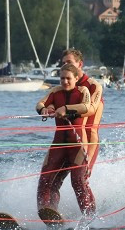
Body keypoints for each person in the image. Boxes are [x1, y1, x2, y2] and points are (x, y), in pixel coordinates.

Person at [35, 63, 96, 217]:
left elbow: (86, 106)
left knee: (78, 182)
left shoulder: (83, 91)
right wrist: (45, 109)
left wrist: (66, 109)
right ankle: (48, 213)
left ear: (76, 78)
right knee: (46, 180)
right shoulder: (55, 92)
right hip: (59, 145)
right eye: (62, 78)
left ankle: (90, 216)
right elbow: (40, 103)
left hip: (77, 146)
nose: (65, 81)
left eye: (68, 78)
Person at [60, 49, 104, 173]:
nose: (65, 65)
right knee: (47, 184)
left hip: (87, 143)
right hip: (65, 142)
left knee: (80, 182)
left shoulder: (92, 86)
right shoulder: (64, 85)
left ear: (80, 64)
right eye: (63, 63)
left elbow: (92, 118)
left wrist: (88, 159)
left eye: (69, 62)